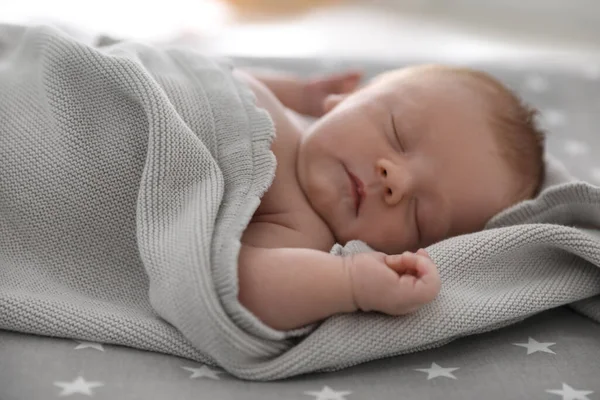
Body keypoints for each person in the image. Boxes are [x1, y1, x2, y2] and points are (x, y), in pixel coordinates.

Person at [234, 64, 546, 331]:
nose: (397, 180)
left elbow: (235, 285)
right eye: (397, 133)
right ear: (349, 98)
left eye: (419, 214)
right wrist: (300, 94)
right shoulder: (285, 113)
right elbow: (225, 75)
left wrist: (350, 283)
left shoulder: (298, 232)